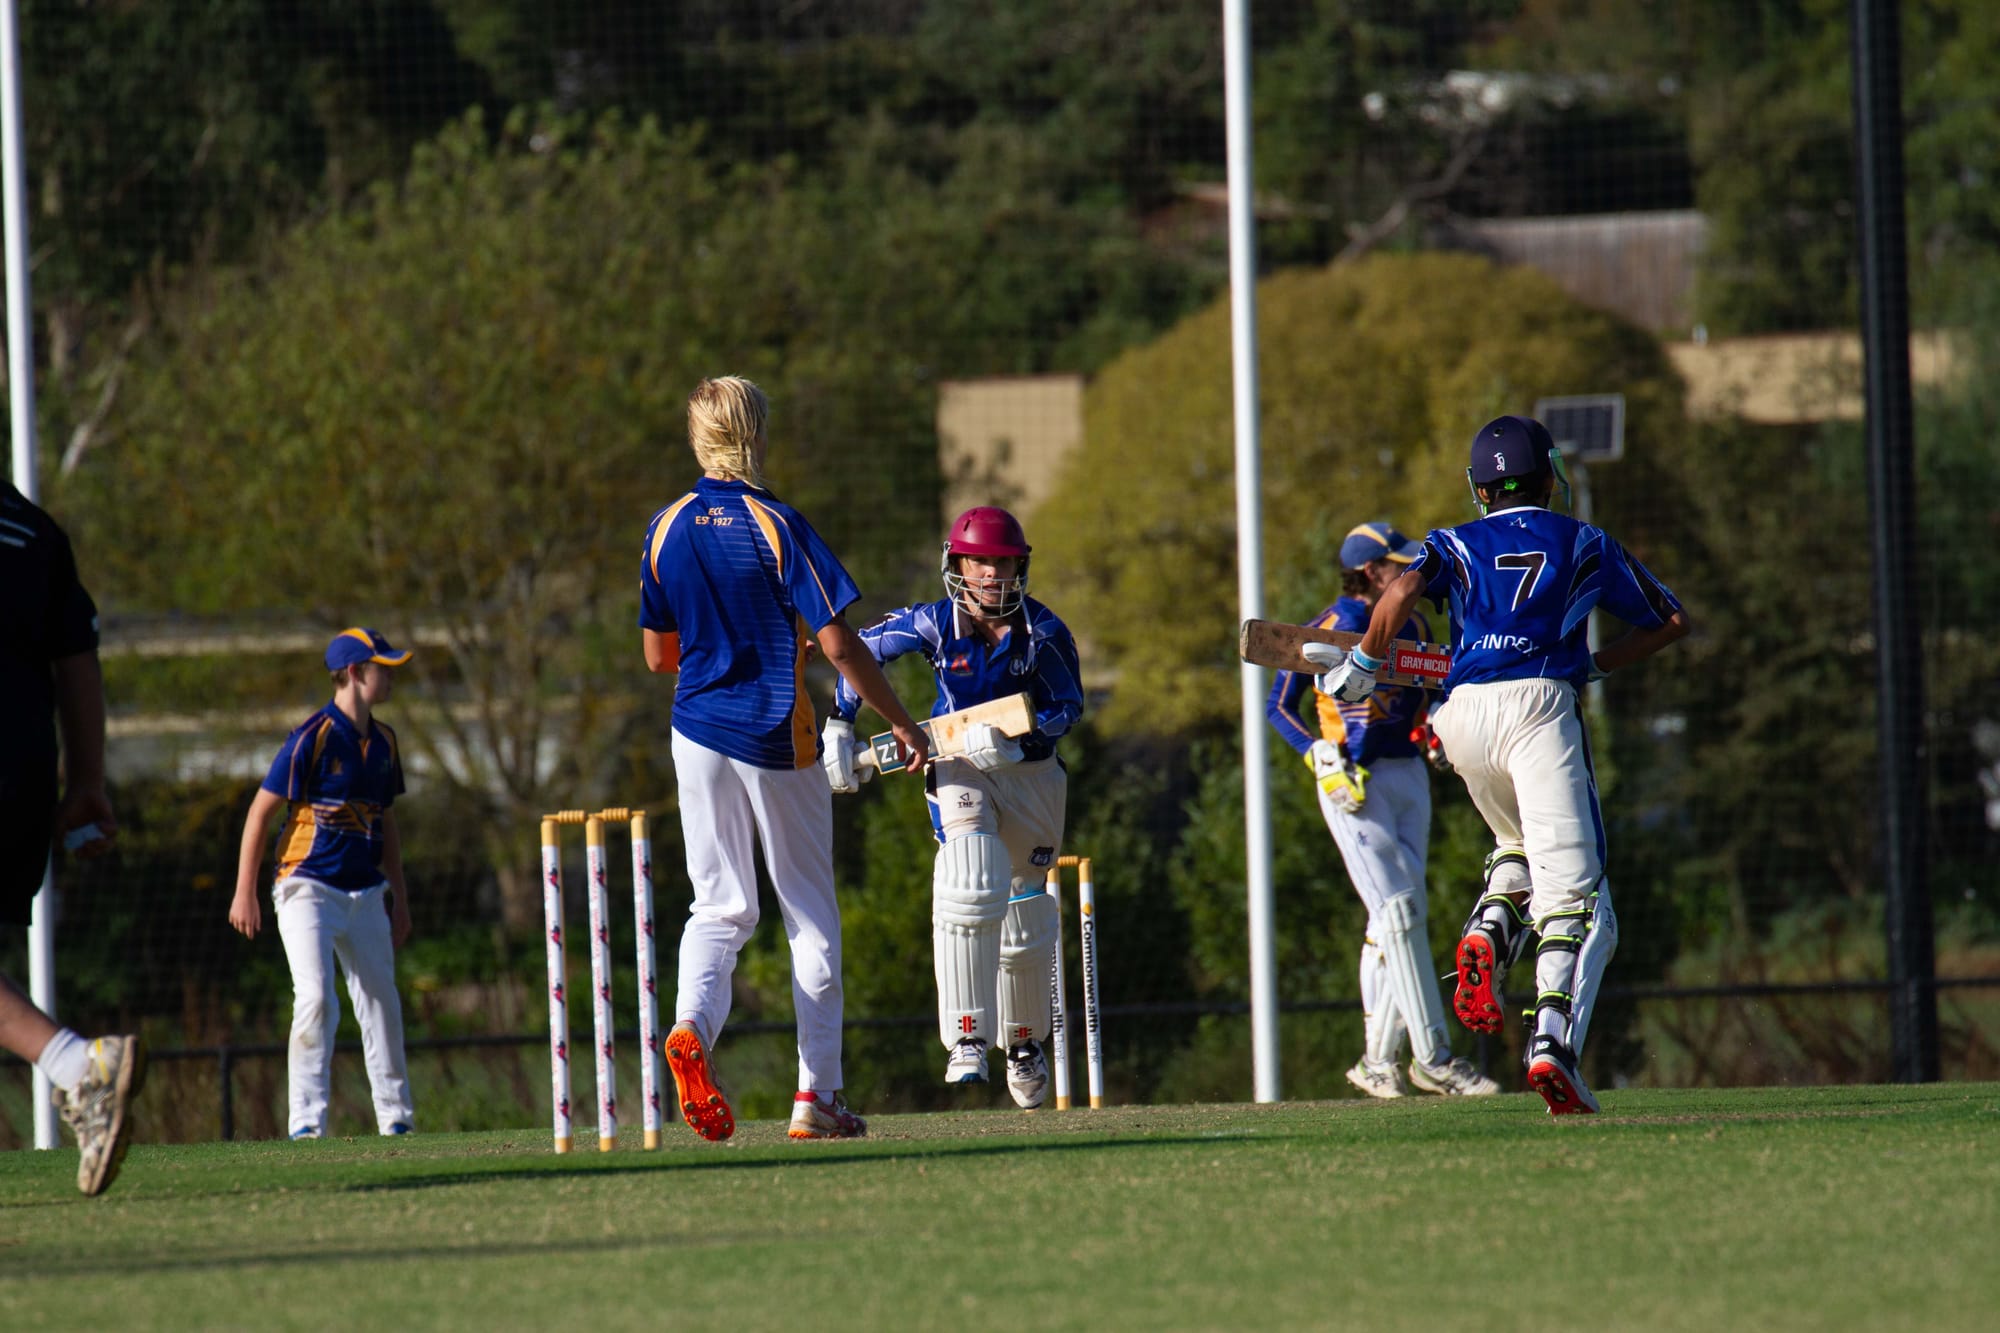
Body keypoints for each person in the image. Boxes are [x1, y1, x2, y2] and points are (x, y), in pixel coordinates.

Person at [1314, 416, 1689, 1114]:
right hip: (1540, 707)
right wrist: (1597, 666)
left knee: (1515, 848)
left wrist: (1364, 665)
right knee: (1580, 901)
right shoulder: (1583, 539)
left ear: (1478, 488)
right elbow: (1670, 619)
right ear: (1550, 478)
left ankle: (1488, 929)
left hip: (1462, 715)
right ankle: (1552, 1041)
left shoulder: (1452, 540)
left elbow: (1395, 594)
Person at [640, 375, 929, 1142]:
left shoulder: (664, 527)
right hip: (774, 731)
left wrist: (728, 644)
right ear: (755, 434)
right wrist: (902, 722)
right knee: (809, 913)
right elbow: (840, 645)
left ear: (698, 438)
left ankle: (692, 1031)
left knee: (719, 906)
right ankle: (818, 1097)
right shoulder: (778, 522)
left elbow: (658, 655)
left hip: (695, 730)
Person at [822, 505, 1084, 1109]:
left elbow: (1068, 708)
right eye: (978, 561)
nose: (990, 574)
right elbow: (862, 648)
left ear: (1019, 567)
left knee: (1024, 904)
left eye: (1001, 562)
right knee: (969, 877)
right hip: (957, 763)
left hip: (1033, 777)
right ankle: (967, 1037)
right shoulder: (936, 623)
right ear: (957, 565)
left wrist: (1021, 741)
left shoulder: (1044, 633)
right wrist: (840, 721)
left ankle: (1022, 1042)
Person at [1269, 522, 1498, 1100]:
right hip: (1353, 780)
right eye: (1399, 565)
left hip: (1407, 774)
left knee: (1399, 916)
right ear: (1373, 572)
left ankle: (1377, 1062)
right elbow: (1278, 706)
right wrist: (1316, 753)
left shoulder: (1415, 622)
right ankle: (1435, 1059)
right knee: (1397, 910)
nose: (1410, 574)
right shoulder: (1331, 626)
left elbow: (1434, 690)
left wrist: (1439, 729)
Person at [0, 478, 143, 1195]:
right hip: (24, 775)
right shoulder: (33, 529)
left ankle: (78, 1065)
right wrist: (88, 778)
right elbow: (78, 661)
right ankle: (72, 1066)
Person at [228, 628, 418, 1139]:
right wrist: (245, 891)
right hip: (306, 886)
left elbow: (387, 822)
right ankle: (307, 1126)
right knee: (315, 998)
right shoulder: (311, 737)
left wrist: (397, 896)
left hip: (364, 890)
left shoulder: (385, 742)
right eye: (384, 667)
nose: (392, 676)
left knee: (381, 1000)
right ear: (355, 673)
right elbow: (261, 812)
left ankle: (397, 1120)